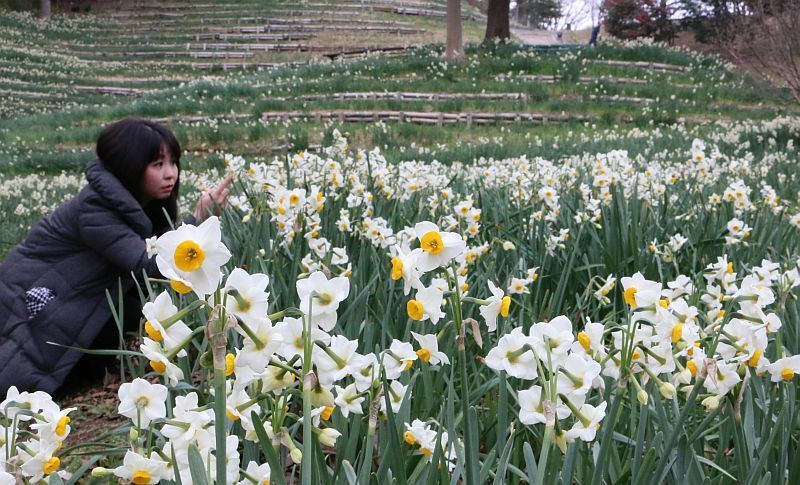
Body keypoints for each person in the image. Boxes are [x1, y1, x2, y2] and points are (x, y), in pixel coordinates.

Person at [0, 117, 233, 396]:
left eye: (173, 162)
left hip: (71, 294)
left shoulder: (138, 205)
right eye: (158, 165)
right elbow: (147, 266)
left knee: (131, 308)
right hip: (34, 303)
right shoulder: (95, 208)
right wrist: (197, 221)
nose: (171, 174)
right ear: (129, 167)